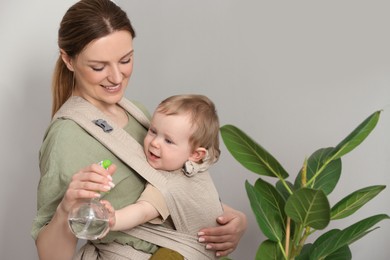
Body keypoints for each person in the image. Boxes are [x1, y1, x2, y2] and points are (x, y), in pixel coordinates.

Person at [31, 0, 247, 259]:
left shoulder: (138, 113)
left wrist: (233, 219)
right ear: (68, 59)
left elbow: (170, 187)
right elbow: (50, 255)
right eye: (99, 67)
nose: (116, 77)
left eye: (125, 60)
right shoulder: (65, 137)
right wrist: (67, 208)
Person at [101, 94, 224, 259]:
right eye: (153, 131)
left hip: (182, 254)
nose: (154, 143)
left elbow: (143, 211)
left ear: (196, 154)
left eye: (168, 141)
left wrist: (114, 218)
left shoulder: (166, 184)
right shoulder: (199, 166)